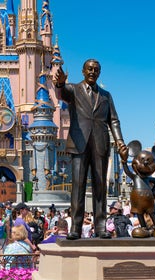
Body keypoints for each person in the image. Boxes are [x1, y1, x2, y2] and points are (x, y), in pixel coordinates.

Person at [54, 59, 127, 239]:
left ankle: (101, 226)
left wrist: (119, 141)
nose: (93, 72)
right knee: (78, 186)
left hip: (100, 143)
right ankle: (75, 228)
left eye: (96, 69)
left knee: (100, 186)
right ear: (83, 71)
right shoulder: (73, 89)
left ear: (99, 72)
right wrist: (61, 83)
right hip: (79, 143)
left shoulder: (106, 95)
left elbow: (114, 120)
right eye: (89, 69)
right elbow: (62, 93)